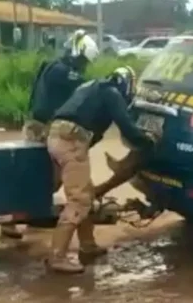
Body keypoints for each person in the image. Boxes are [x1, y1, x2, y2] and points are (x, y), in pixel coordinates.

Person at [45, 66, 159, 273]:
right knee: (79, 200)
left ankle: (88, 246)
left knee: (85, 192)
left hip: (56, 134)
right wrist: (147, 141)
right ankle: (57, 257)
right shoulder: (112, 93)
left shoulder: (91, 86)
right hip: (72, 140)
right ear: (126, 85)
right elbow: (126, 127)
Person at [0, 31, 100, 239]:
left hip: (38, 125)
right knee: (44, 177)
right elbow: (82, 89)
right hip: (43, 128)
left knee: (40, 177)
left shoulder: (51, 66)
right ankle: (11, 218)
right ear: (75, 52)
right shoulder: (64, 73)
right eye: (83, 60)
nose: (84, 65)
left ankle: (25, 215)